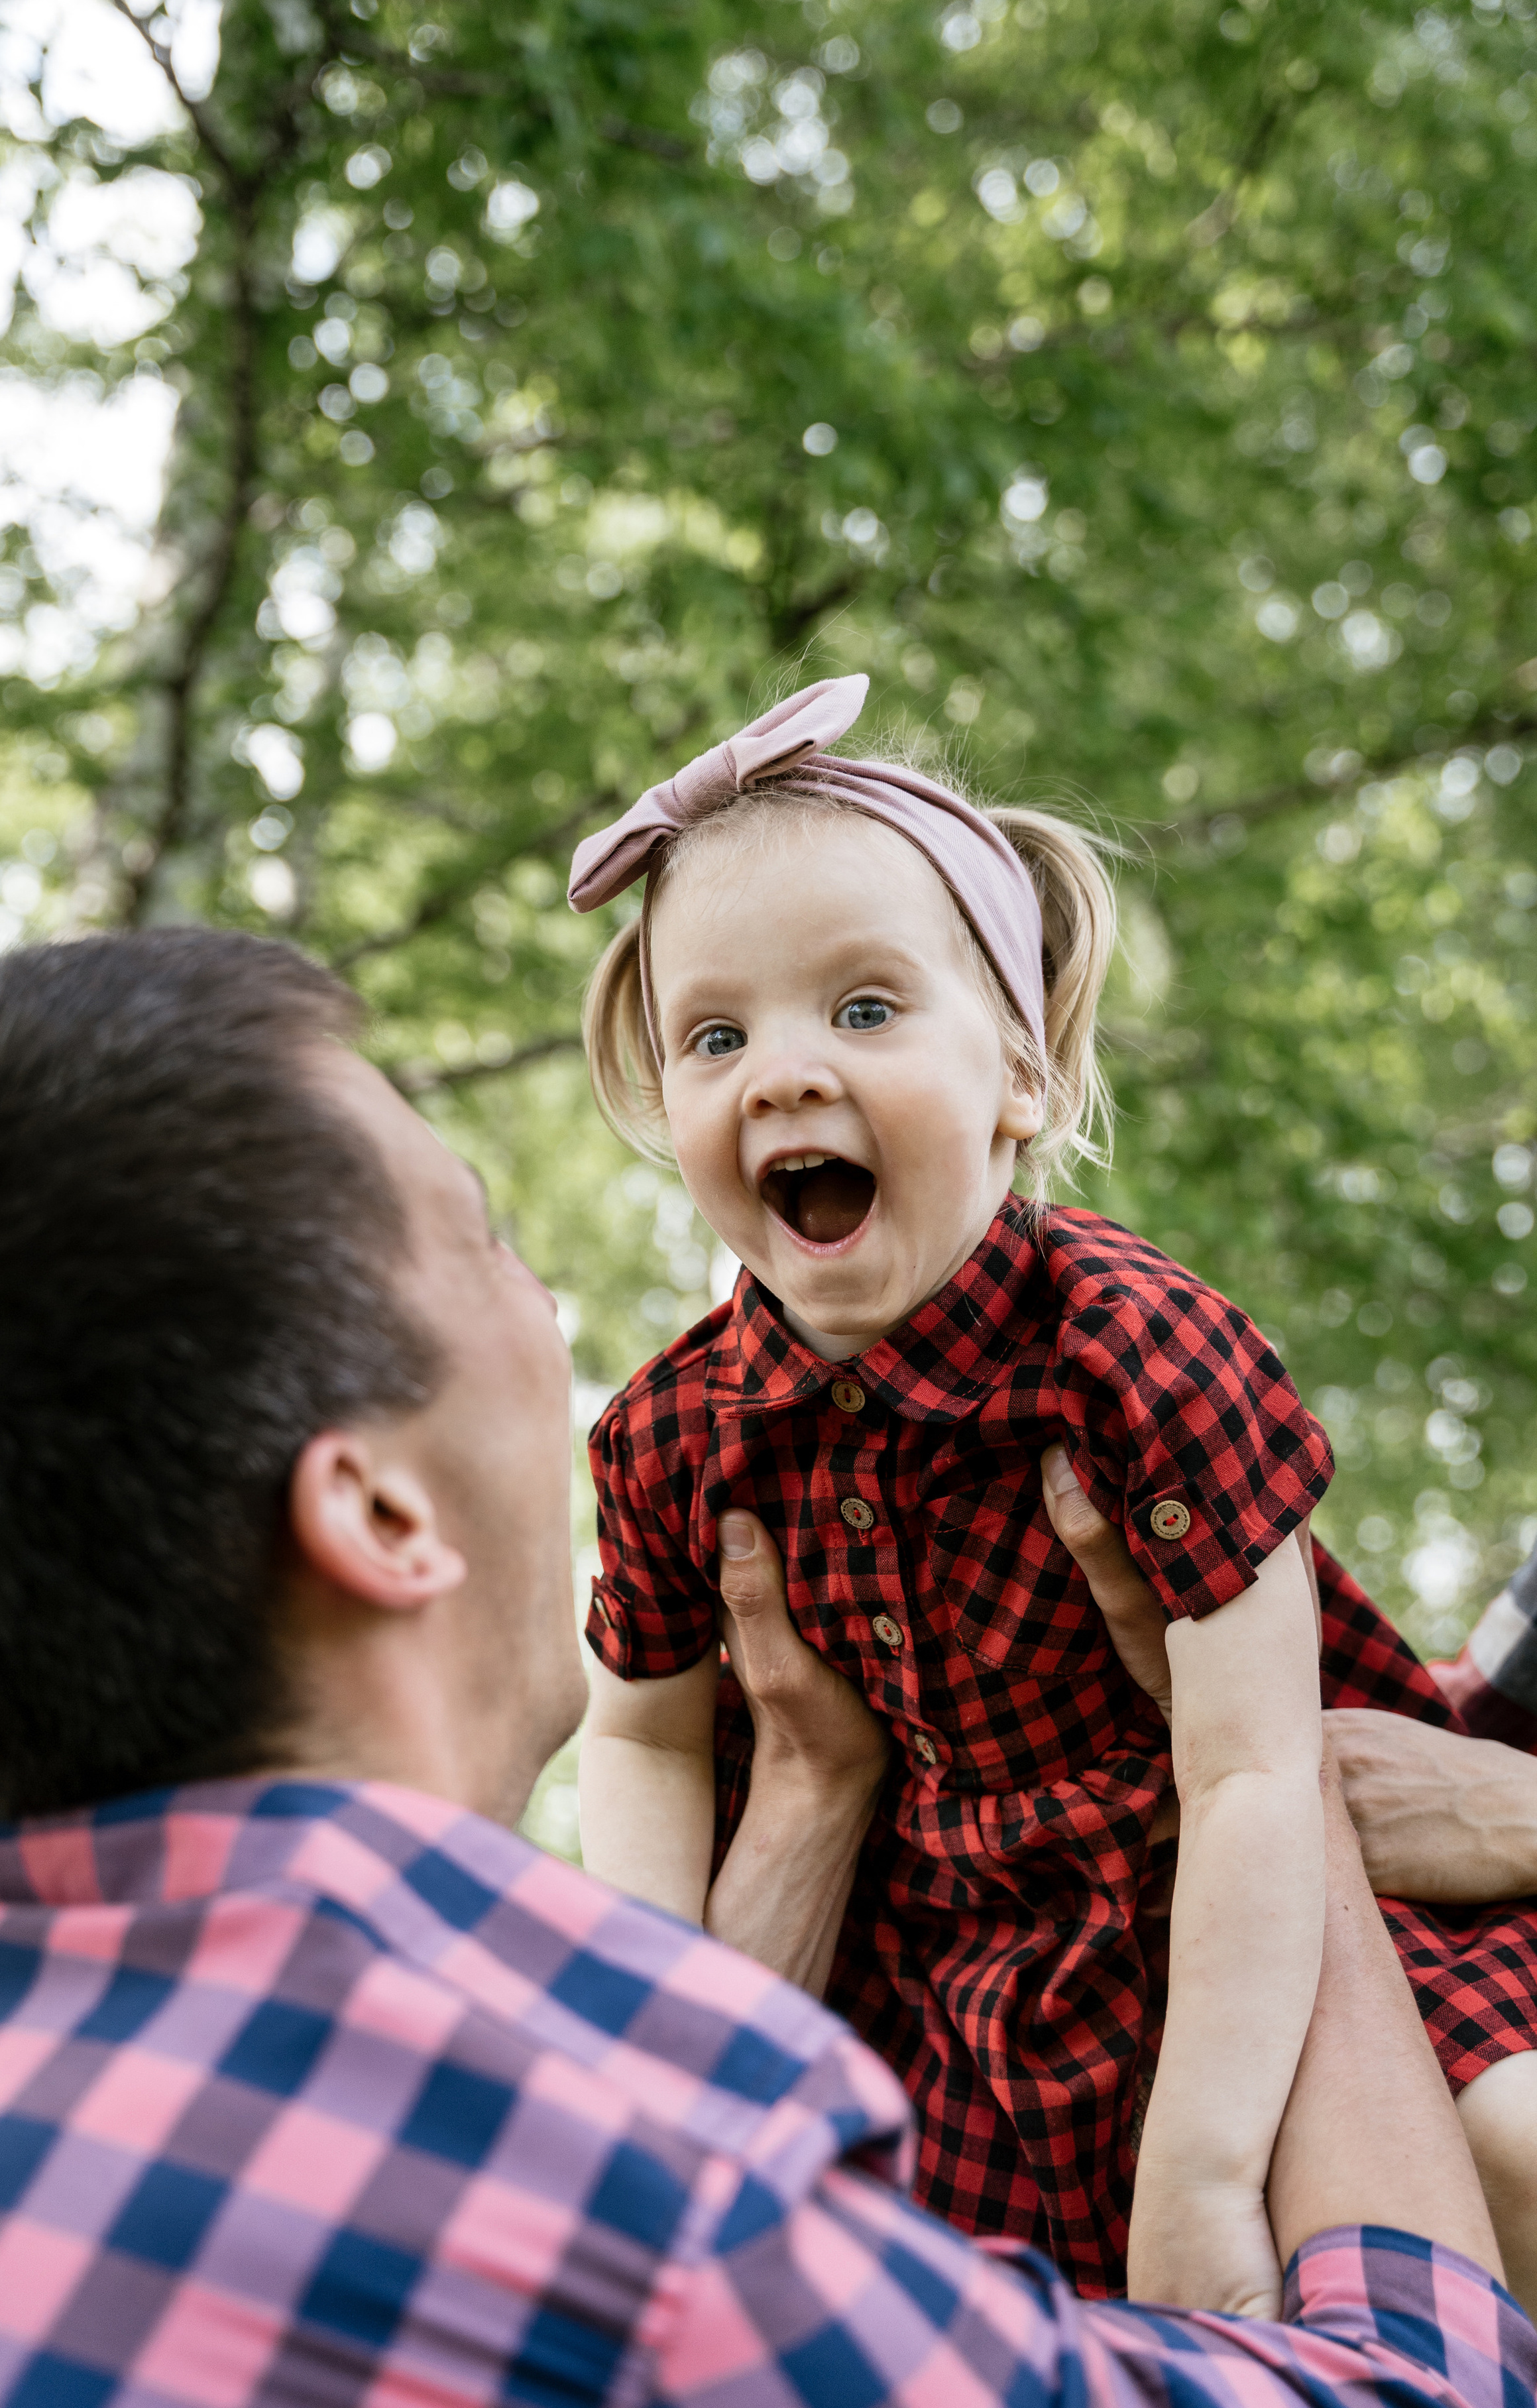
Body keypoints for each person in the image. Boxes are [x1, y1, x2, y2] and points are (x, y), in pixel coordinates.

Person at [0, 929, 1531, 2408]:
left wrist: (811, 1802)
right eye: (485, 1238)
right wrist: (1251, 1757)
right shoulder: (650, 2220)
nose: (551, 1312)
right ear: (379, 1516)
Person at [567, 670, 1537, 2310]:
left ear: (1018, 1076)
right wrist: (652, 2034)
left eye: (862, 1011)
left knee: (1509, 2145)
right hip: (949, 1988)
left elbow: (1251, 1775)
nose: (781, 1073)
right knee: (899, 2345)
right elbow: (642, 1738)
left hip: (1243, 1914)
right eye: (714, 1037)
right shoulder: (670, 1435)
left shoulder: (1135, 1356)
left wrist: (1201, 2170)